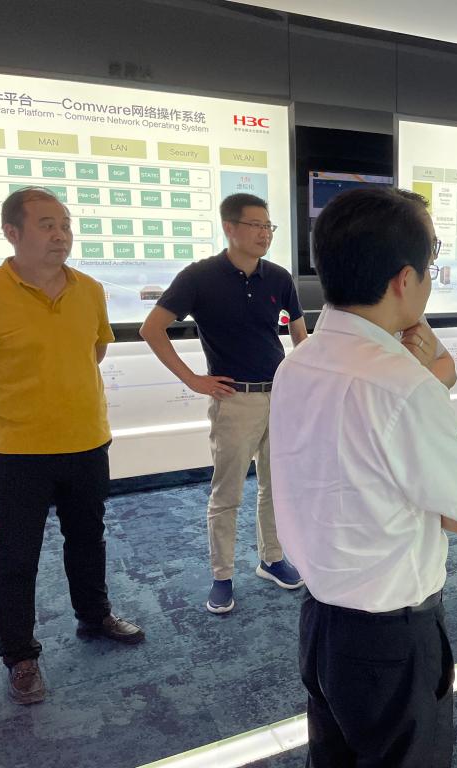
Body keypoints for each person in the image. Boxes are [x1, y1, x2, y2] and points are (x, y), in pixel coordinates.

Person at [269, 187, 457, 767]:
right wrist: (429, 385)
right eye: (431, 262)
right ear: (404, 279)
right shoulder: (404, 385)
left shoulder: (297, 362)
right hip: (391, 637)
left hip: (321, 622)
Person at [0, 187, 144, 705]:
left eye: (66, 225)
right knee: (16, 556)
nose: (61, 234)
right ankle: (20, 655)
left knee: (87, 538)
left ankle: (94, 616)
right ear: (12, 232)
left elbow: (93, 352)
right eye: (47, 224)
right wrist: (2, 396)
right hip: (18, 450)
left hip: (86, 441)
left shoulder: (90, 289)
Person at [139, 193, 308, 614]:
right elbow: (151, 328)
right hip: (234, 400)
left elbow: (300, 336)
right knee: (227, 492)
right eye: (256, 225)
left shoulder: (279, 278)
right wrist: (192, 380)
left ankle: (272, 558)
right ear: (229, 228)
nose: (265, 233)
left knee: (276, 486)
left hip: (279, 397)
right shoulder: (199, 277)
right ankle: (222, 575)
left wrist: (304, 383)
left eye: (268, 226)